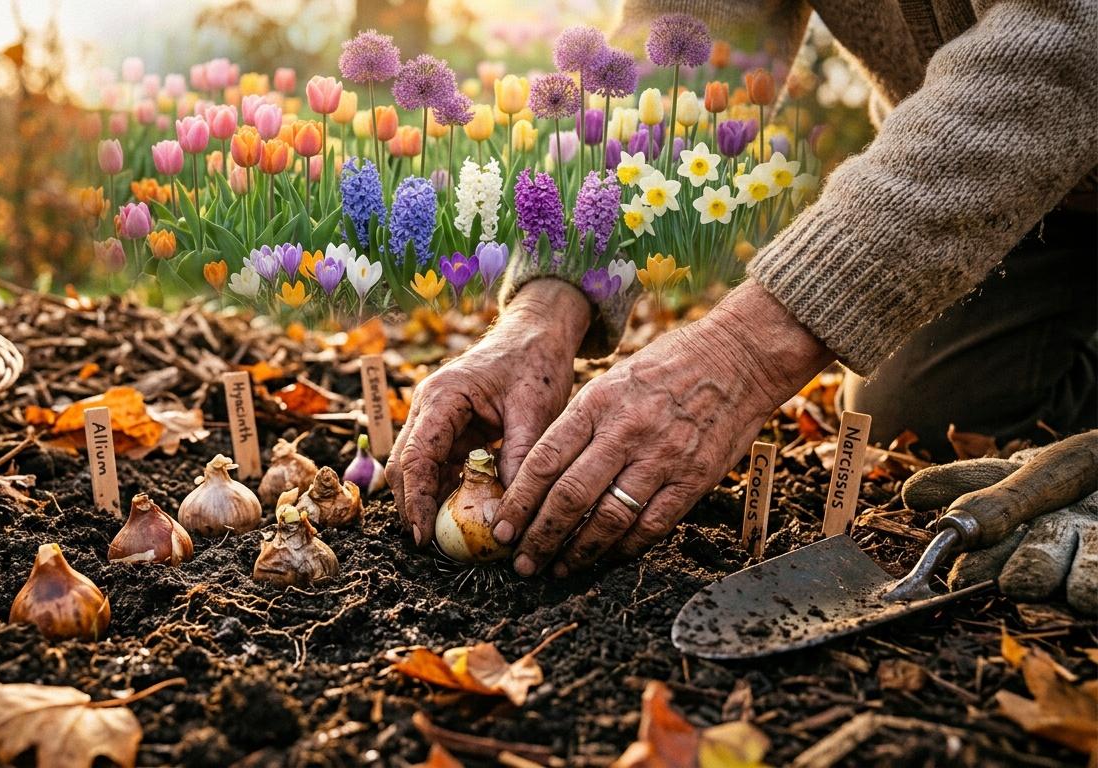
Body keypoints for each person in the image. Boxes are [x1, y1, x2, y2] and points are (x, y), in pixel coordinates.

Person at [387, 0, 1098, 579]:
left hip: (1060, 106)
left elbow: (1071, 41)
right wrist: (546, 303)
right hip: (1020, 191)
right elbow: (684, 39)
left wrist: (744, 352)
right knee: (916, 414)